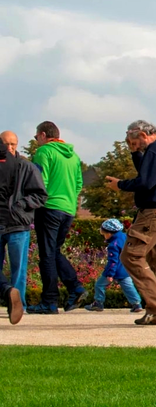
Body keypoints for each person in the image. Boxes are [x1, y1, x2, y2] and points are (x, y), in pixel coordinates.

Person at [106, 120, 156, 326]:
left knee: (131, 255)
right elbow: (148, 173)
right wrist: (134, 153)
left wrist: (120, 185)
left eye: (134, 141)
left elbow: (145, 182)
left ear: (142, 134)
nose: (134, 145)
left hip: (155, 212)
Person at [29, 121, 85, 313]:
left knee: (46, 255)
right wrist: (68, 199)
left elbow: (39, 181)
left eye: (36, 137)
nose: (36, 141)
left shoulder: (45, 152)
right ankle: (75, 287)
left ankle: (49, 302)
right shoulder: (74, 156)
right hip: (67, 209)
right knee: (54, 252)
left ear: (43, 135)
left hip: (49, 207)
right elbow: (79, 184)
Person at [0, 132, 47, 310]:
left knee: (18, 269)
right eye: (6, 144)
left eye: (13, 144)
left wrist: (19, 205)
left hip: (18, 225)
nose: (10, 148)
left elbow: (40, 195)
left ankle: (18, 306)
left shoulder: (27, 167)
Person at [86, 219, 144, 313]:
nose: (104, 237)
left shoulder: (113, 245)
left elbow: (113, 261)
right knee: (129, 287)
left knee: (99, 285)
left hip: (115, 270)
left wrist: (110, 274)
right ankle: (137, 304)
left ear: (110, 233)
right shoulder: (125, 237)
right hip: (126, 269)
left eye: (104, 234)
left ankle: (98, 302)